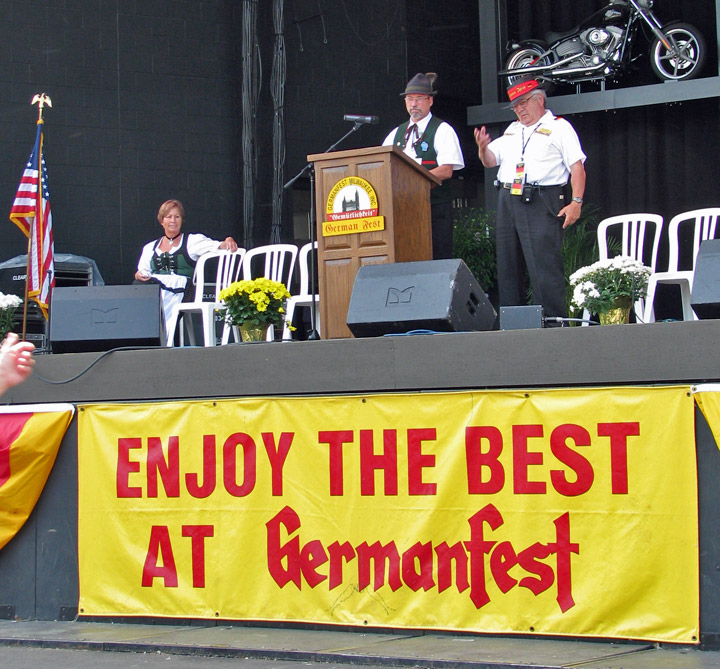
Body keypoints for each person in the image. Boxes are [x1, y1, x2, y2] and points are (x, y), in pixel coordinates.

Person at [474, 78, 586, 323]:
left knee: (543, 266)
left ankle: (553, 323)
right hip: (508, 198)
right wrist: (483, 148)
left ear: (539, 99)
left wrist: (576, 201)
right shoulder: (513, 130)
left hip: (540, 198)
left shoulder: (559, 127)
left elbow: (577, 167)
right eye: (515, 106)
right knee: (508, 264)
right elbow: (492, 160)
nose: (520, 110)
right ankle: (513, 324)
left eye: (523, 103)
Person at [382, 72, 464, 259]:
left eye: (419, 99)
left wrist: (413, 181)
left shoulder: (442, 130)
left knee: (437, 258)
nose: (414, 104)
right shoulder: (396, 133)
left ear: (430, 101)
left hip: (433, 208)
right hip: (402, 209)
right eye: (410, 99)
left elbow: (446, 170)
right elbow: (382, 168)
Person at [135, 199, 239, 328]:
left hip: (183, 290)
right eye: (169, 217)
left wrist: (228, 240)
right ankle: (145, 330)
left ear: (181, 220)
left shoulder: (192, 241)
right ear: (162, 221)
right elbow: (143, 272)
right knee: (139, 286)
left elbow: (218, 246)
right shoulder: (150, 247)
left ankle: (163, 332)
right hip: (156, 290)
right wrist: (138, 275)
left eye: (177, 217)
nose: (173, 220)